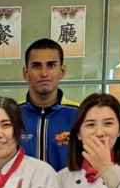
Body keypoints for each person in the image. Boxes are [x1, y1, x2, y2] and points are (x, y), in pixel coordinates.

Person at [19, 39, 78, 171]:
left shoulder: (79, 115)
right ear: (26, 73)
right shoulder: (12, 115)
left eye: (51, 65)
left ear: (62, 71)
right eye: (36, 66)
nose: (44, 73)